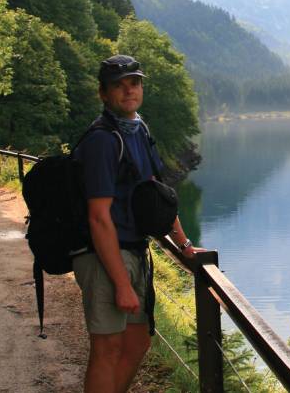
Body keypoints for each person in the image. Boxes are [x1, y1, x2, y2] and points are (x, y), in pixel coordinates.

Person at [72, 54, 197, 393]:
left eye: (135, 83)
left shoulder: (139, 129)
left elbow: (156, 195)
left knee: (137, 343)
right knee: (107, 349)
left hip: (133, 251)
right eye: (119, 85)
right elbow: (98, 218)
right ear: (103, 93)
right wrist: (121, 284)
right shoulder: (102, 141)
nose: (129, 90)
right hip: (103, 255)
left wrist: (184, 244)